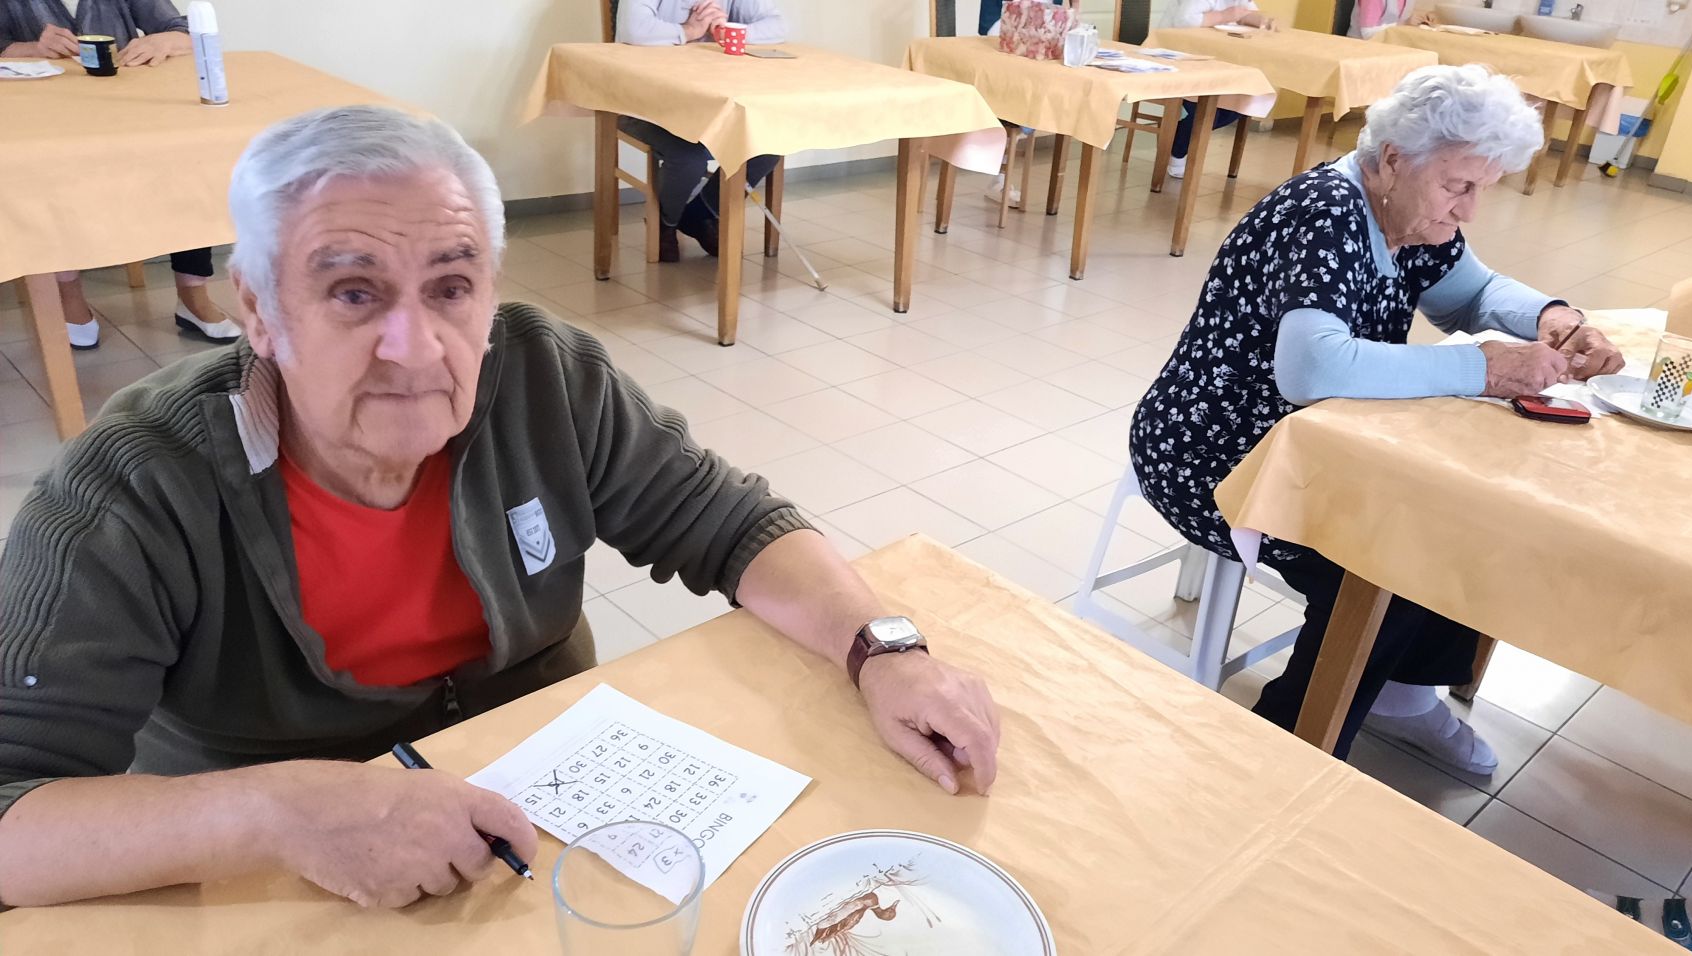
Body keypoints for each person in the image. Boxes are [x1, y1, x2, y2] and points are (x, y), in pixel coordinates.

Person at [0, 106, 1001, 909]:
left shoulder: (542, 376)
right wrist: (275, 813)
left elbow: (727, 523)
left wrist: (882, 649)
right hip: (286, 874)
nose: (414, 346)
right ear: (257, 309)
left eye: (450, 287)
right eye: (352, 293)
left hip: (547, 827)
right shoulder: (130, 488)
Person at [1127, 66, 1624, 769]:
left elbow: (1471, 291)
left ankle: (1402, 696)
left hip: (1317, 443)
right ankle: (1284, 745)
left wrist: (1551, 316)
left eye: (1483, 188)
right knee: (1390, 556)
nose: (1469, 210)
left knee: (1461, 516)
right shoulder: (1324, 213)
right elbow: (1311, 370)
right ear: (1393, 159)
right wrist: (1485, 369)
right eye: (1459, 186)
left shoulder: (1407, 212)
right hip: (1217, 450)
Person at [0, 0, 242, 348]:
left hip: (128, 115)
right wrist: (32, 49)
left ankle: (192, 294)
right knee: (49, 178)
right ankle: (68, 293)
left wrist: (162, 41)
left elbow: (185, 29)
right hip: (43, 122)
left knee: (186, 165)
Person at [614, 0, 785, 261]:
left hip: (710, 104)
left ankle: (701, 214)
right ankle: (665, 223)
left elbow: (778, 25)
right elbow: (633, 28)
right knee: (689, 157)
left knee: (769, 142)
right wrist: (689, 30)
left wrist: (728, 30)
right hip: (645, 104)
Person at [1158, 0, 1277, 180]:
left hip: (1214, 61)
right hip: (1178, 58)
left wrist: (1260, 19)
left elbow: (1246, 12)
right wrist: (1225, 15)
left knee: (1244, 100)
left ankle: (1179, 137)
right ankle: (1177, 153)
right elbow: (1185, 20)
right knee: (1203, 109)